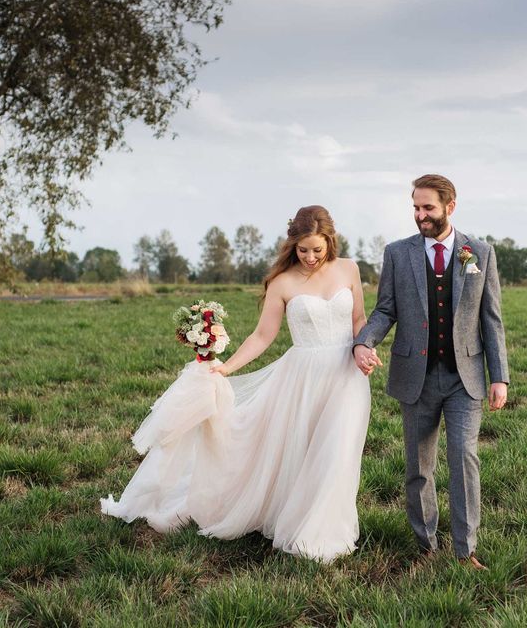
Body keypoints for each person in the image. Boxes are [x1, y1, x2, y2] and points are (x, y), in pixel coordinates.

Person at [101, 205, 371, 562]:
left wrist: (363, 347)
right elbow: (263, 335)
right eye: (302, 250)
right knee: (305, 451)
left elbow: (359, 318)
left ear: (330, 242)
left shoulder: (348, 269)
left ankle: (325, 530)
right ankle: (303, 524)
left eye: (317, 250)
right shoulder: (283, 282)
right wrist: (226, 368)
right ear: (292, 245)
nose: (309, 257)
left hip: (347, 374)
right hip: (302, 378)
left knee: (337, 451)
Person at [352, 174, 509, 569]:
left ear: (449, 206)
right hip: (415, 376)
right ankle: (426, 545)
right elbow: (386, 309)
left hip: (465, 377)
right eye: (416, 208)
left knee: (463, 458)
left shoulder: (481, 253)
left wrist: (499, 376)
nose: (420, 215)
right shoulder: (397, 253)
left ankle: (465, 550)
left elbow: (491, 319)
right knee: (419, 467)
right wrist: (364, 341)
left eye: (428, 208)